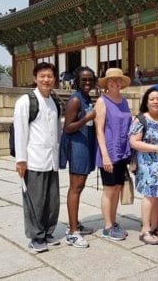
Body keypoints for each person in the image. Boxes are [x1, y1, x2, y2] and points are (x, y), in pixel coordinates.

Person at [13, 62, 61, 253]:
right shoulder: (26, 100)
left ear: (54, 79)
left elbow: (57, 131)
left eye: (49, 76)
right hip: (33, 159)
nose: (46, 80)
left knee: (52, 199)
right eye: (42, 76)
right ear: (35, 78)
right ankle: (36, 236)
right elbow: (21, 131)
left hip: (51, 159)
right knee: (35, 200)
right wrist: (21, 160)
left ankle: (48, 231)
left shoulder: (54, 100)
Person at [129, 87, 158, 245]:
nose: (156, 102)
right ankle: (145, 230)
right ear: (146, 102)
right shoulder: (141, 119)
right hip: (148, 165)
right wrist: (156, 148)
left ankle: (155, 226)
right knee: (149, 196)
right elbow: (134, 142)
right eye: (152, 99)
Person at [59, 67, 97, 248]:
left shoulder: (86, 97)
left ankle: (75, 224)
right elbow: (67, 127)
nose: (88, 83)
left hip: (86, 143)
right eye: (84, 80)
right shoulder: (75, 100)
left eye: (90, 79)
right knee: (75, 187)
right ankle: (72, 232)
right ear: (77, 81)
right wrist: (86, 118)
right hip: (77, 147)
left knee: (79, 187)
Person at [95, 68, 132, 241]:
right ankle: (107, 226)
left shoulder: (124, 101)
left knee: (117, 187)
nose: (115, 83)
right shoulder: (102, 101)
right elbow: (99, 131)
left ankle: (113, 221)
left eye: (118, 80)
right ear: (106, 83)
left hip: (122, 152)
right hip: (109, 151)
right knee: (109, 189)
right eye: (111, 81)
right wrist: (105, 155)